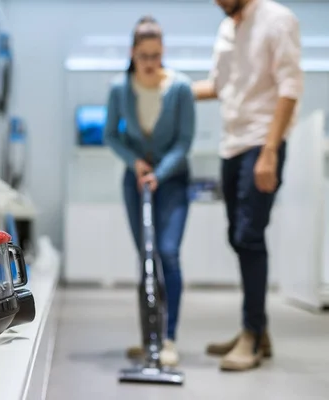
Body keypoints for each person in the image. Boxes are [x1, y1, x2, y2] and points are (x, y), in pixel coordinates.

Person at [192, 0, 303, 371]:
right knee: (237, 237)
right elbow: (222, 87)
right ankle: (258, 330)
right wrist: (170, 85)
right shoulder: (227, 28)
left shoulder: (277, 19)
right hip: (231, 146)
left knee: (249, 236)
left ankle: (251, 336)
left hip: (262, 143)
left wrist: (270, 151)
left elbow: (290, 87)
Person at [104, 16, 196, 367]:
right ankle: (150, 339)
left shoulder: (181, 88)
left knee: (168, 253)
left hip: (172, 180)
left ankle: (169, 337)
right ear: (133, 53)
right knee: (146, 256)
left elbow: (184, 141)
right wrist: (135, 163)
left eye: (156, 55)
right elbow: (111, 134)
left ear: (163, 53)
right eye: (143, 55)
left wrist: (160, 171)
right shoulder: (119, 88)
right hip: (136, 179)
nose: (150, 63)